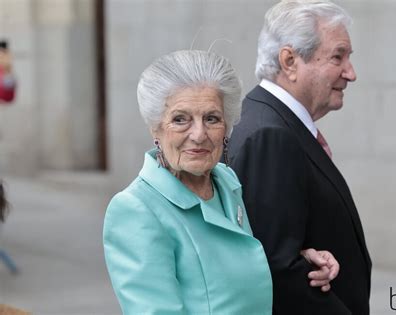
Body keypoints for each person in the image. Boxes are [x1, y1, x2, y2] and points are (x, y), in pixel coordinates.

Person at [103, 50, 341, 314]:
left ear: (226, 127)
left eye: (211, 118)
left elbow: (231, 261)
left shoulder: (225, 180)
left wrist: (300, 258)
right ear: (155, 127)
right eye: (180, 119)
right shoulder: (135, 210)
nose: (199, 134)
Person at [228, 1, 372, 314]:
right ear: (290, 61)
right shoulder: (270, 135)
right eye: (338, 56)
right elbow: (277, 269)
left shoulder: (273, 122)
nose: (351, 73)